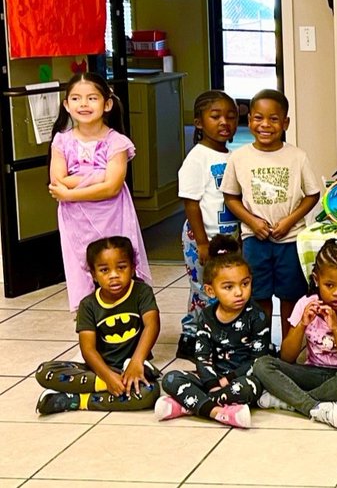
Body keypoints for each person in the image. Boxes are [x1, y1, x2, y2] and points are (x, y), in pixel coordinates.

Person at [221, 89, 321, 337]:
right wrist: (252, 222)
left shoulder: (297, 156)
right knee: (258, 295)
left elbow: (312, 194)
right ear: (249, 120)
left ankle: (289, 346)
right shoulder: (239, 157)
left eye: (274, 119)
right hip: (255, 240)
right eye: (258, 118)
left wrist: (289, 220)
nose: (265, 124)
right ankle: (262, 345)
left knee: (291, 296)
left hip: (291, 240)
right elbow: (230, 197)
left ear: (285, 123)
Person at [48, 72, 152, 310]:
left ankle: (126, 328)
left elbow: (112, 187)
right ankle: (89, 331)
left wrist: (71, 192)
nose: (83, 104)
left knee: (116, 265)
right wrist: (100, 175)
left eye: (92, 98)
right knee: (82, 270)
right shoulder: (61, 141)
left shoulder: (117, 142)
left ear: (107, 104)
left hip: (112, 217)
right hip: (76, 222)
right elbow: (58, 181)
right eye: (75, 98)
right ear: (66, 104)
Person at [254, 239, 337, 429]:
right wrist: (302, 324)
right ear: (316, 280)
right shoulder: (305, 303)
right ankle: (314, 406)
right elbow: (287, 356)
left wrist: (336, 328)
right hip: (313, 372)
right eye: (329, 285)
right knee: (262, 364)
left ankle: (292, 402)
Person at [35, 236, 161, 414]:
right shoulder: (88, 305)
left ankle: (76, 400)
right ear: (94, 274)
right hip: (99, 369)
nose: (114, 275)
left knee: (149, 394)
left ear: (133, 268)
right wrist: (107, 377)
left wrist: (137, 361)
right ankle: (105, 387)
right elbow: (88, 349)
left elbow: (152, 325)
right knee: (44, 371)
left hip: (132, 366)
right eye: (104, 270)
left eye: (121, 267)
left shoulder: (141, 292)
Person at [156, 236, 272, 428]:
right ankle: (217, 412)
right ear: (210, 291)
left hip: (242, 379)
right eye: (228, 287)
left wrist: (228, 379)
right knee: (170, 378)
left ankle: (191, 404)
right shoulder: (206, 316)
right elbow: (202, 356)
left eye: (245, 283)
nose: (239, 292)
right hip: (212, 379)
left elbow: (258, 360)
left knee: (249, 388)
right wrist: (211, 383)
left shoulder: (256, 316)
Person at [177, 89, 240, 360]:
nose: (224, 122)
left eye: (231, 116)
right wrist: (202, 242)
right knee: (203, 288)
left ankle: (219, 335)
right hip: (202, 237)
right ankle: (191, 337)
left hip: (229, 237)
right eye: (215, 116)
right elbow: (191, 202)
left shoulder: (232, 157)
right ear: (200, 122)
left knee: (224, 286)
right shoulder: (197, 158)